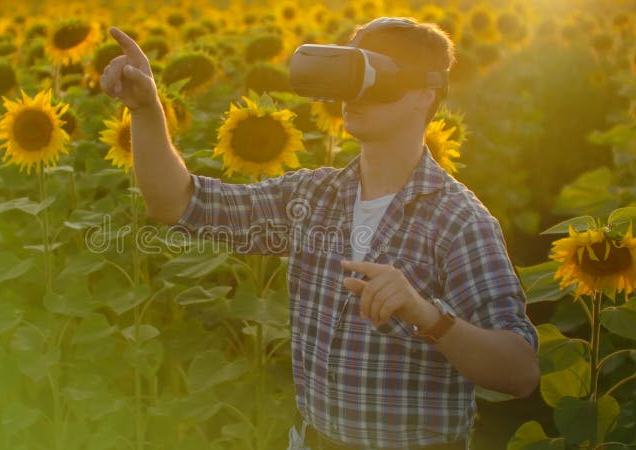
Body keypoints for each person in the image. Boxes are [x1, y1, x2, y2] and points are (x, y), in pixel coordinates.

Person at [100, 16, 539, 450]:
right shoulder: (311, 197)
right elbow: (177, 203)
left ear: (423, 95)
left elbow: (519, 371)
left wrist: (428, 316)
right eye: (350, 75)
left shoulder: (459, 221)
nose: (354, 96)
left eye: (374, 77)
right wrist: (145, 108)